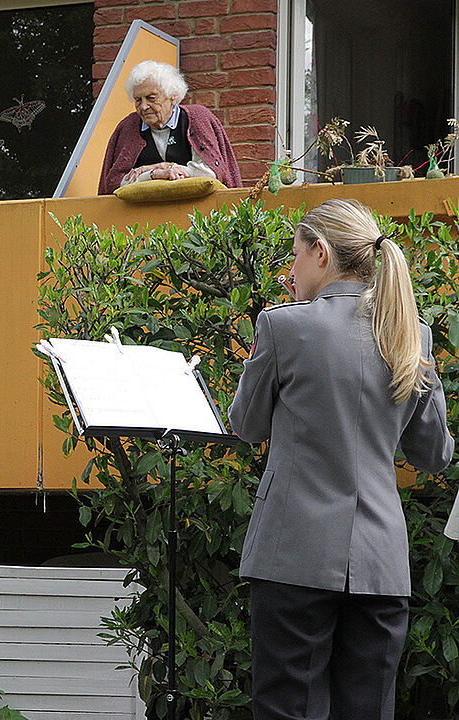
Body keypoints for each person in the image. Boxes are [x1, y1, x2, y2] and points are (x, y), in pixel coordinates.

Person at [229, 198, 453, 720]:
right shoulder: (409, 333)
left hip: (293, 557)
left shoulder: (284, 326)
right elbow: (435, 454)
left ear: (321, 253)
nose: (292, 268)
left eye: (296, 255)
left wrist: (269, 343)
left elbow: (246, 425)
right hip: (380, 564)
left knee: (289, 710)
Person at [98, 60, 242, 194]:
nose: (143, 106)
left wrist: (165, 168)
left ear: (172, 96)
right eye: (138, 100)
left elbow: (211, 172)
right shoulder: (129, 127)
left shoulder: (197, 118)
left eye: (151, 98)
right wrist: (155, 173)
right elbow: (116, 183)